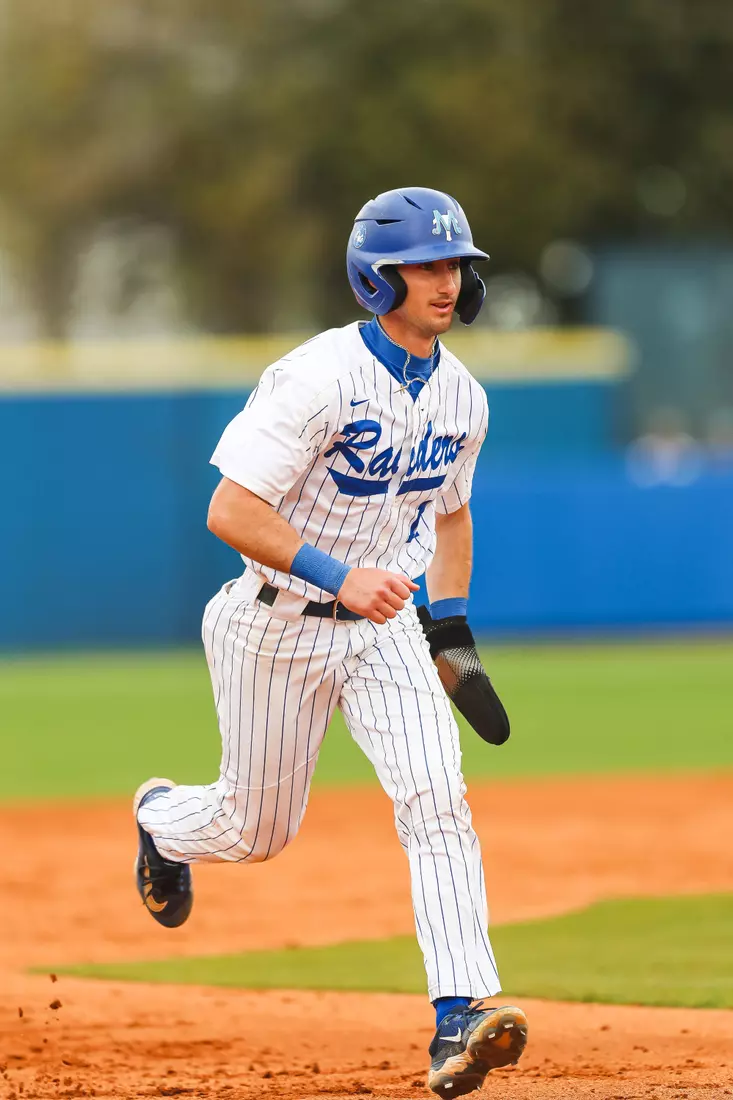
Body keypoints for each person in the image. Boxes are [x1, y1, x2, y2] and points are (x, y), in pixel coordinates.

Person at [133, 186, 528, 1097]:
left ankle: (458, 1017)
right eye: (423, 266)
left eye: (454, 265)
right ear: (376, 279)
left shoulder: (463, 399)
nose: (444, 281)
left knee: (436, 799)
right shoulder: (317, 378)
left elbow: (451, 515)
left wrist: (451, 633)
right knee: (255, 831)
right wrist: (338, 573)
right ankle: (161, 821)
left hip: (383, 631)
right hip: (272, 623)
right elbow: (230, 509)